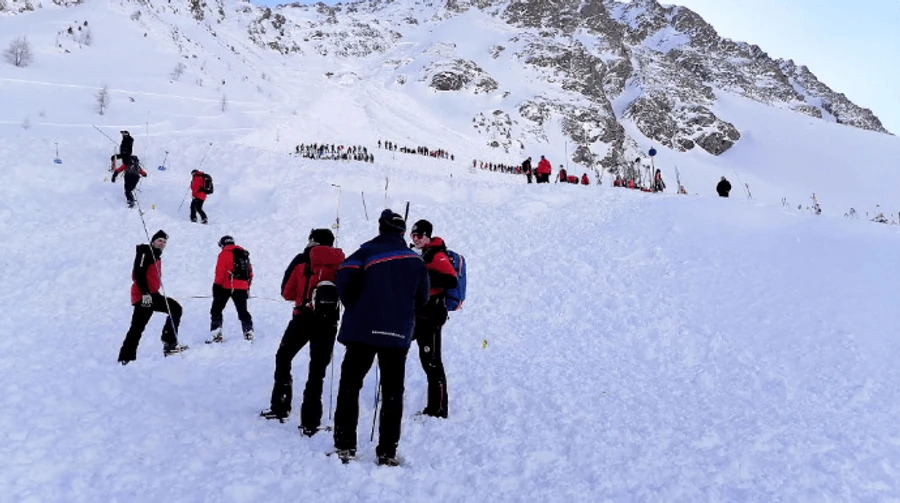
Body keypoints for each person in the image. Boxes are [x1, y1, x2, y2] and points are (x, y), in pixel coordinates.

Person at [331, 210, 429, 466]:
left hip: (361, 331)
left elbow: (343, 275)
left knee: (350, 387)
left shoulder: (366, 252)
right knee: (393, 392)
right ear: (402, 232)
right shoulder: (416, 261)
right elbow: (423, 298)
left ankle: (345, 446)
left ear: (380, 228)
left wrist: (353, 303)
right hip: (397, 335)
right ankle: (387, 451)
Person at [260, 229, 345, 436]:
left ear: (312, 241)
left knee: (283, 357)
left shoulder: (302, 260)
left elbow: (286, 293)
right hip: (329, 323)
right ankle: (310, 422)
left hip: (303, 318)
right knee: (317, 371)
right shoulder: (341, 262)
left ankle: (280, 406)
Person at [409, 219, 457, 419]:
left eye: (419, 235)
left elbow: (451, 279)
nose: (416, 239)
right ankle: (433, 407)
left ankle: (438, 409)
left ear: (428, 235)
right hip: (418, 314)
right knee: (421, 358)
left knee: (432, 361)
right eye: (413, 235)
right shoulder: (422, 254)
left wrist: (424, 277)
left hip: (432, 316)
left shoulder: (437, 254)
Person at [118, 230, 188, 365]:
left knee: (137, 327)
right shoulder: (145, 252)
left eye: (164, 242)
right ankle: (169, 343)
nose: (162, 243)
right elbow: (138, 274)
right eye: (159, 240)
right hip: (145, 296)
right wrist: (145, 293)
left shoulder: (155, 256)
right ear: (153, 241)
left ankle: (125, 357)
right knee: (174, 308)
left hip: (150, 295)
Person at [208, 235, 254, 343]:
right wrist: (247, 286)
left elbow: (220, 272)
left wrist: (216, 286)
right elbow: (250, 273)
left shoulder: (224, 253)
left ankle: (216, 334)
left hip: (225, 286)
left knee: (216, 309)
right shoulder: (244, 254)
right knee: (243, 311)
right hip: (242, 287)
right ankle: (248, 331)